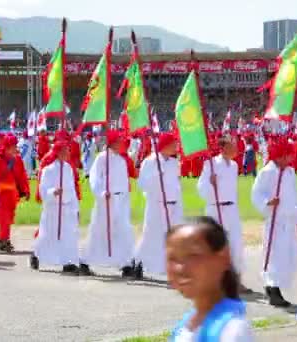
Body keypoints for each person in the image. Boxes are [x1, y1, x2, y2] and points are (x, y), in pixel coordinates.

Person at [167, 216, 253, 342]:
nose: (181, 268)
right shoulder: (185, 325)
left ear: (224, 257)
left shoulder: (231, 330)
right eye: (173, 258)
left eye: (193, 255)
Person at [251, 140, 297, 307]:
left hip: (288, 219)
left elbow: (294, 195)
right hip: (275, 220)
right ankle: (273, 289)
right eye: (288, 153)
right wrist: (268, 202)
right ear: (280, 155)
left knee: (288, 255)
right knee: (274, 255)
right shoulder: (267, 172)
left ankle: (274, 285)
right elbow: (256, 193)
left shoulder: (289, 172)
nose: (291, 157)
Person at [198, 134, 250, 293]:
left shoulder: (234, 166)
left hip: (231, 209)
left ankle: (236, 280)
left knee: (235, 244)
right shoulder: (211, 164)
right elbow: (201, 189)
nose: (235, 148)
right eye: (231, 145)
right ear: (223, 148)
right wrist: (210, 183)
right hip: (215, 208)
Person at [80, 130, 136, 277]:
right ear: (112, 143)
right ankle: (84, 261)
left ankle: (126, 263)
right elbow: (94, 178)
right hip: (106, 200)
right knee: (98, 230)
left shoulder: (122, 160)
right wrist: (102, 192)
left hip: (121, 201)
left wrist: (125, 199)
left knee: (123, 231)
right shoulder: (101, 159)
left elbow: (124, 182)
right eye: (118, 141)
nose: (121, 143)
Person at [134, 133, 184, 278]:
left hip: (173, 204)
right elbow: (142, 183)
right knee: (151, 235)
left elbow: (177, 184)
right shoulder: (150, 162)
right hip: (157, 204)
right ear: (165, 145)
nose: (176, 147)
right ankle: (137, 262)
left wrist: (178, 203)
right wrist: (156, 177)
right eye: (173, 144)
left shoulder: (175, 163)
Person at [31, 141, 81, 274]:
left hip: (66, 208)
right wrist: (53, 192)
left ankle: (67, 261)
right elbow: (43, 189)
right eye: (65, 151)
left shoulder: (69, 169)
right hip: (53, 208)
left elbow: (72, 189)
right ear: (58, 153)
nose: (68, 153)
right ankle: (36, 255)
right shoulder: (48, 170)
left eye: (68, 150)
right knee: (48, 234)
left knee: (67, 235)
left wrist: (75, 207)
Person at [0, 135, 30, 253]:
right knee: (4, 218)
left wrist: (26, 189)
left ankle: (4, 239)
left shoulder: (17, 159)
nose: (15, 148)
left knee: (9, 217)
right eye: (12, 146)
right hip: (1, 194)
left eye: (15, 146)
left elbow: (22, 176)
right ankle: (2, 240)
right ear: (6, 147)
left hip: (13, 195)